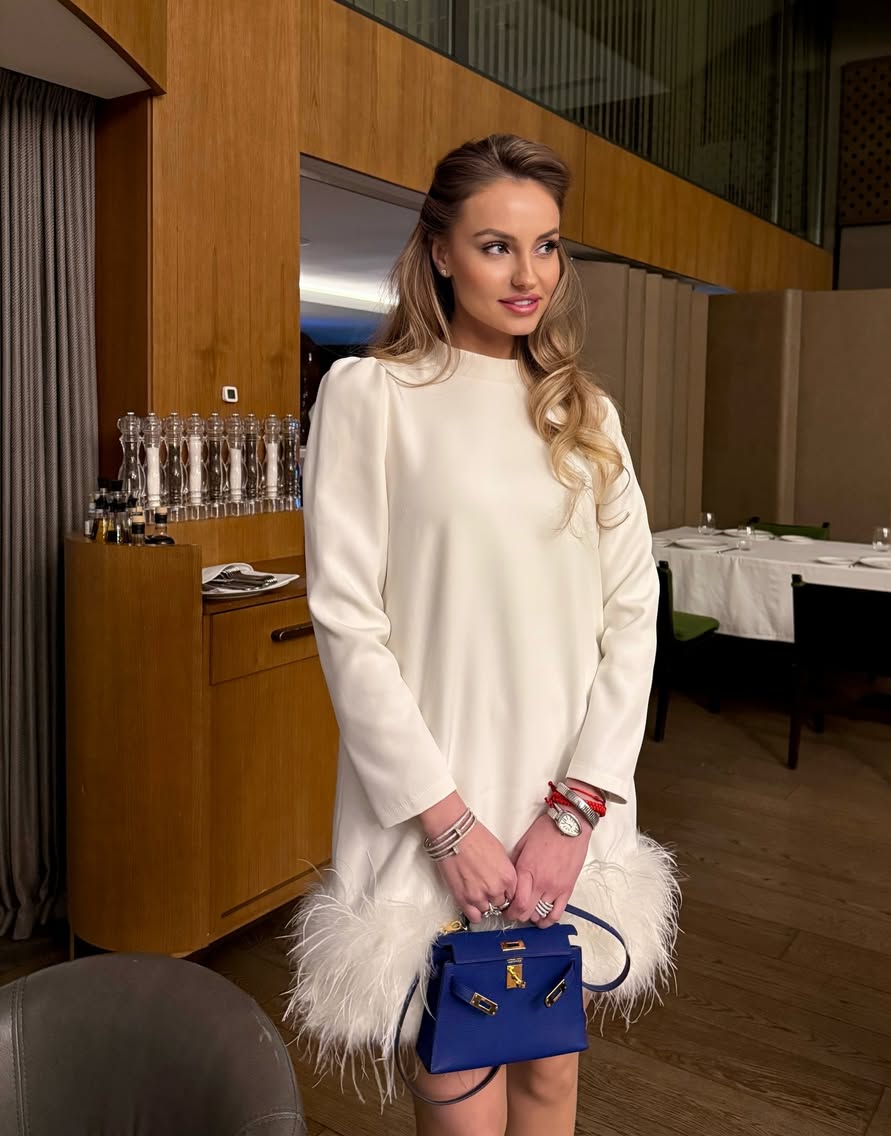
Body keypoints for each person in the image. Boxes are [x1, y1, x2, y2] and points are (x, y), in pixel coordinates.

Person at [286, 133, 679, 1136]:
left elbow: (634, 614)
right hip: (432, 817)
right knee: (461, 1101)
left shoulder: (586, 414)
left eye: (546, 246)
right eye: (497, 245)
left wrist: (578, 809)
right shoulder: (372, 397)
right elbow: (347, 621)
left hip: (567, 812)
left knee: (550, 1082)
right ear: (440, 251)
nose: (527, 274)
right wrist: (449, 826)